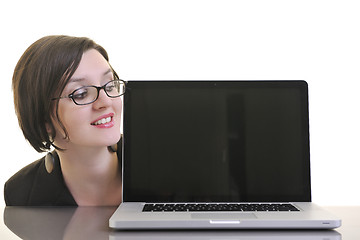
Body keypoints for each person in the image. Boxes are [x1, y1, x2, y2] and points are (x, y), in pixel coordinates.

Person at [4, 35, 125, 206]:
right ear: (44, 119)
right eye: (81, 93)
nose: (106, 102)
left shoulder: (167, 164)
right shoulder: (22, 193)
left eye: (109, 85)